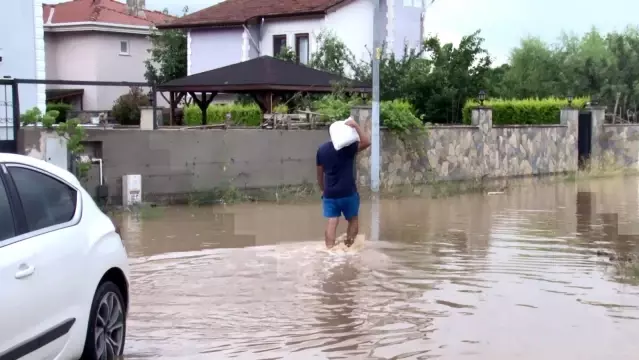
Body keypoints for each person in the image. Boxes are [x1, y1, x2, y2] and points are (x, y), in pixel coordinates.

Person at [316, 117, 371, 248]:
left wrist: (322, 189)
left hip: (330, 193)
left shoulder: (321, 150)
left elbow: (319, 174)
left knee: (332, 220)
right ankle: (348, 248)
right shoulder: (349, 148)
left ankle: (329, 250)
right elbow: (367, 142)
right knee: (353, 219)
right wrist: (356, 126)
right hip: (348, 192)